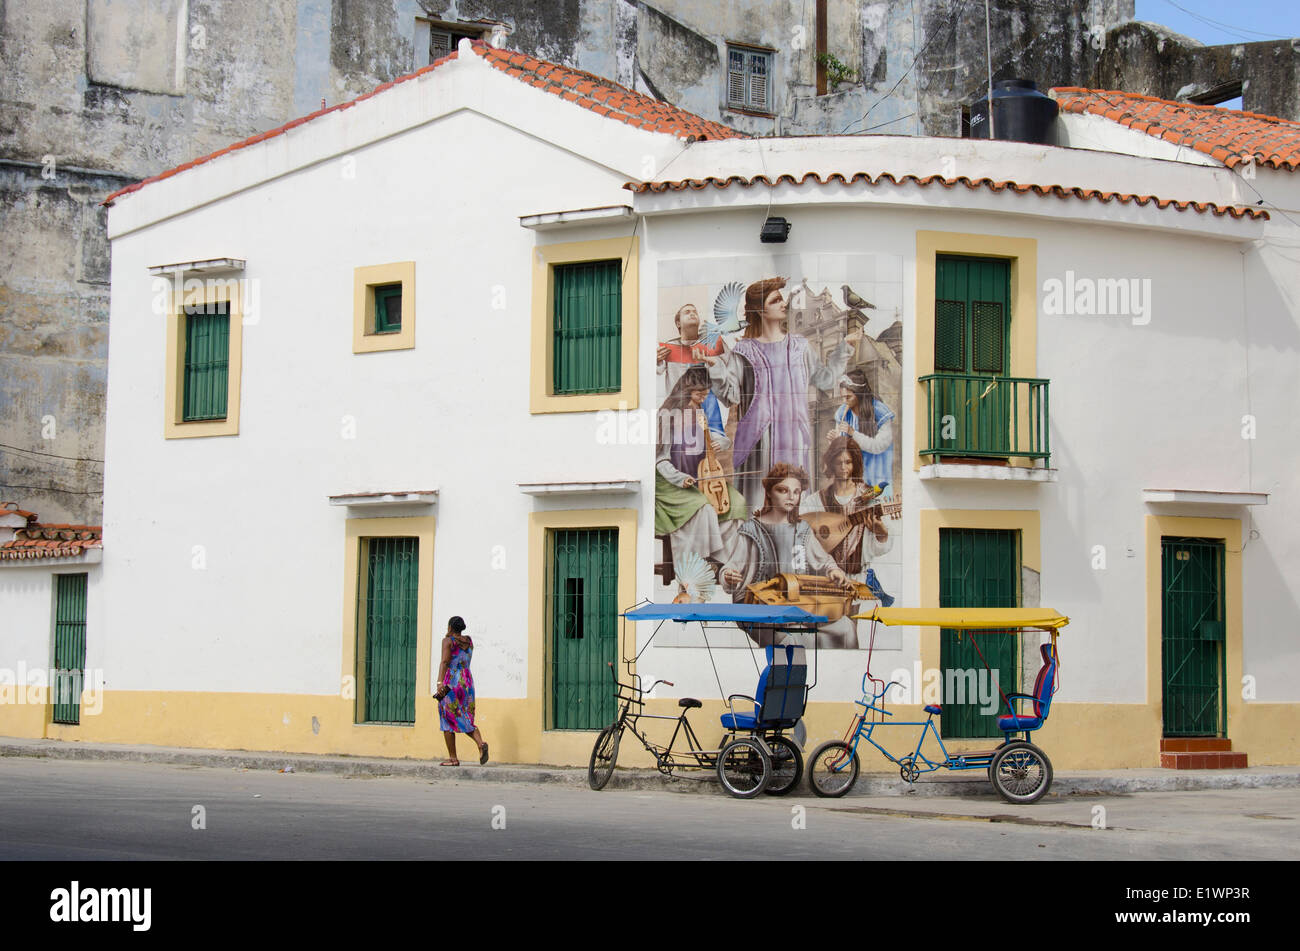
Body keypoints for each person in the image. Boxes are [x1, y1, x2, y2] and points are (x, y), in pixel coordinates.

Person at [702, 278, 858, 511]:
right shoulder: (743, 351)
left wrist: (844, 347)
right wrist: (715, 367)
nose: (783, 303)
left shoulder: (800, 346)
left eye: (782, 298)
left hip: (794, 438)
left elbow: (824, 378)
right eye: (775, 300)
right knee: (759, 508)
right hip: (758, 441)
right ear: (760, 310)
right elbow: (730, 394)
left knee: (794, 508)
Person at [720, 463, 857, 647]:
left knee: (846, 628)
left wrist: (833, 570)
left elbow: (823, 561)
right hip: (761, 609)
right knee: (791, 638)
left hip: (798, 604)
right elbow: (731, 567)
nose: (791, 497)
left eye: (796, 492)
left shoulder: (802, 529)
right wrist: (728, 576)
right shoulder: (751, 530)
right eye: (783, 490)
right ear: (769, 492)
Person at [655, 366, 747, 566]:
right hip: (672, 481)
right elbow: (660, 460)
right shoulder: (667, 414)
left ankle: (727, 563)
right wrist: (680, 479)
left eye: (706, 393)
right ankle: (697, 563)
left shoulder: (700, 410)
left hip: (701, 477)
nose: (704, 398)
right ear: (686, 390)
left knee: (737, 502)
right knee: (703, 508)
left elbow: (715, 437)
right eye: (699, 394)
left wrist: (719, 442)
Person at [831, 368, 895, 500]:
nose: (844, 401)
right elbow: (842, 447)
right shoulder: (843, 412)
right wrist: (835, 440)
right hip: (854, 473)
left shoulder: (879, 411)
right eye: (843, 397)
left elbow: (878, 446)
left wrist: (853, 433)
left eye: (848, 397)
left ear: (859, 394)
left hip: (877, 469)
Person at [436, 616, 488, 766]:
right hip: (467, 683)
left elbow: (445, 662)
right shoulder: (469, 641)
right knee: (465, 716)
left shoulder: (448, 641)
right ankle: (480, 743)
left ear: (450, 627)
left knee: (447, 718)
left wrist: (440, 683)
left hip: (451, 683)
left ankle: (453, 758)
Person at [657, 303, 725, 395]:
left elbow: (724, 378)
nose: (692, 314)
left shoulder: (710, 345)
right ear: (678, 323)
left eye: (695, 312)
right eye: (687, 312)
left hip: (705, 405)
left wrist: (711, 362)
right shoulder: (668, 348)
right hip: (677, 405)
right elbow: (657, 371)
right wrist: (655, 359)